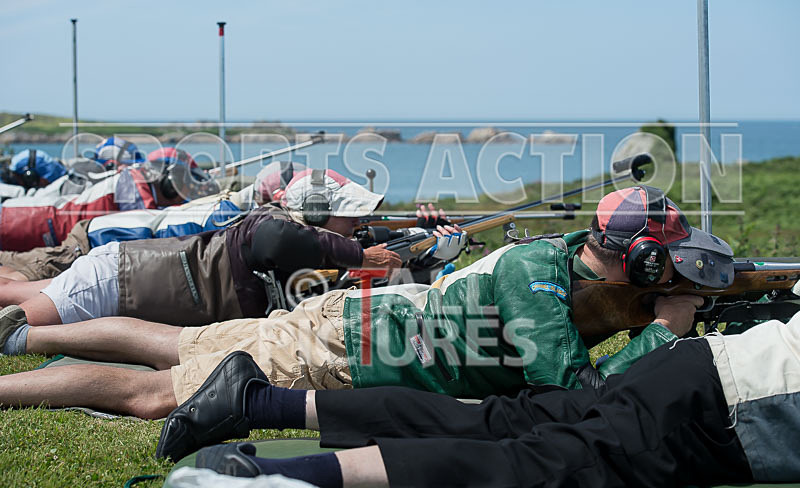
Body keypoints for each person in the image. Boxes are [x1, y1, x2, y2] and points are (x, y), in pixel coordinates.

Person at [0, 186, 727, 421]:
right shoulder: (535, 280)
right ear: (641, 257)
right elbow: (572, 396)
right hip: (349, 351)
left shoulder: (554, 259)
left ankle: (18, 339)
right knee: (159, 393)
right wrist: (662, 334)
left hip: (352, 327)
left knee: (174, 344)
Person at [157, 307, 800, 487]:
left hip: (713, 370)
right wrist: (659, 327)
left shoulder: (538, 262)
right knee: (533, 464)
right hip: (728, 404)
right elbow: (567, 378)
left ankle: (258, 407)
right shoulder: (534, 272)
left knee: (497, 426)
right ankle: (275, 476)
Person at [0, 168, 401, 327]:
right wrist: (360, 256)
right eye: (351, 217)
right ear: (314, 213)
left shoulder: (296, 236)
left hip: (117, 274)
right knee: (16, 324)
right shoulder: (270, 225)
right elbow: (279, 241)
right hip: (114, 284)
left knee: (14, 291)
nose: (357, 226)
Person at [0, 160, 307, 282]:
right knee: (24, 277)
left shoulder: (225, 204)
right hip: (90, 239)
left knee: (20, 265)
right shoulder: (132, 182)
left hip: (93, 236)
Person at [0, 139, 195, 252]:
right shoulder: (131, 183)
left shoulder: (125, 180)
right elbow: (150, 225)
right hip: (28, 222)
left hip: (38, 224)